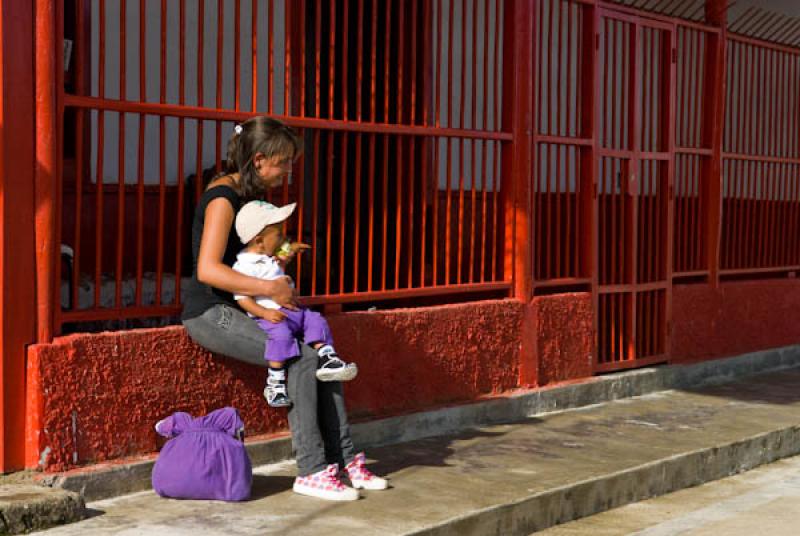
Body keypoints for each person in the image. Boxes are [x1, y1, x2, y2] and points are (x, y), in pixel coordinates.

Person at [181, 116, 387, 501]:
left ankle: (344, 461)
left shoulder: (251, 196)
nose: (289, 169)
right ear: (259, 160)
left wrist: (278, 261)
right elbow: (208, 269)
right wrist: (268, 287)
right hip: (211, 313)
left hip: (245, 308)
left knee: (325, 360)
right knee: (302, 360)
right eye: (284, 161)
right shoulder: (224, 198)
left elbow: (247, 255)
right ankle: (310, 469)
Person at [231, 199, 358, 407]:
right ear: (259, 240)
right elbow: (242, 298)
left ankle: (326, 356)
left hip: (294, 310)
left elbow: (279, 260)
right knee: (280, 337)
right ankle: (275, 382)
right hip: (273, 316)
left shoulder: (267, 254)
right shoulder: (244, 265)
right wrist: (263, 313)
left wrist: (291, 249)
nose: (283, 238)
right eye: (279, 235)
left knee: (315, 319)